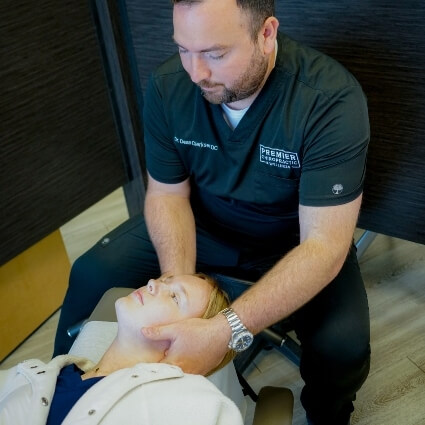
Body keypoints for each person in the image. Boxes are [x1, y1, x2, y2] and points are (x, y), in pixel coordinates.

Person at [54, 0, 371, 423]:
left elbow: (325, 245)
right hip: (203, 227)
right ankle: (63, 389)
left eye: (215, 54)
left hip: (296, 241)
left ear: (266, 33)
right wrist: (175, 288)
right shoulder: (170, 86)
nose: (195, 72)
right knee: (92, 273)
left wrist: (227, 328)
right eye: (184, 49)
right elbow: (166, 194)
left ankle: (326, 416)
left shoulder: (328, 99)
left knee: (342, 346)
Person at [0, 274, 241, 425]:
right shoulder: (46, 374)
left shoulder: (189, 401)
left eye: (175, 298)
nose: (152, 283)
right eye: (164, 279)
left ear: (191, 343)